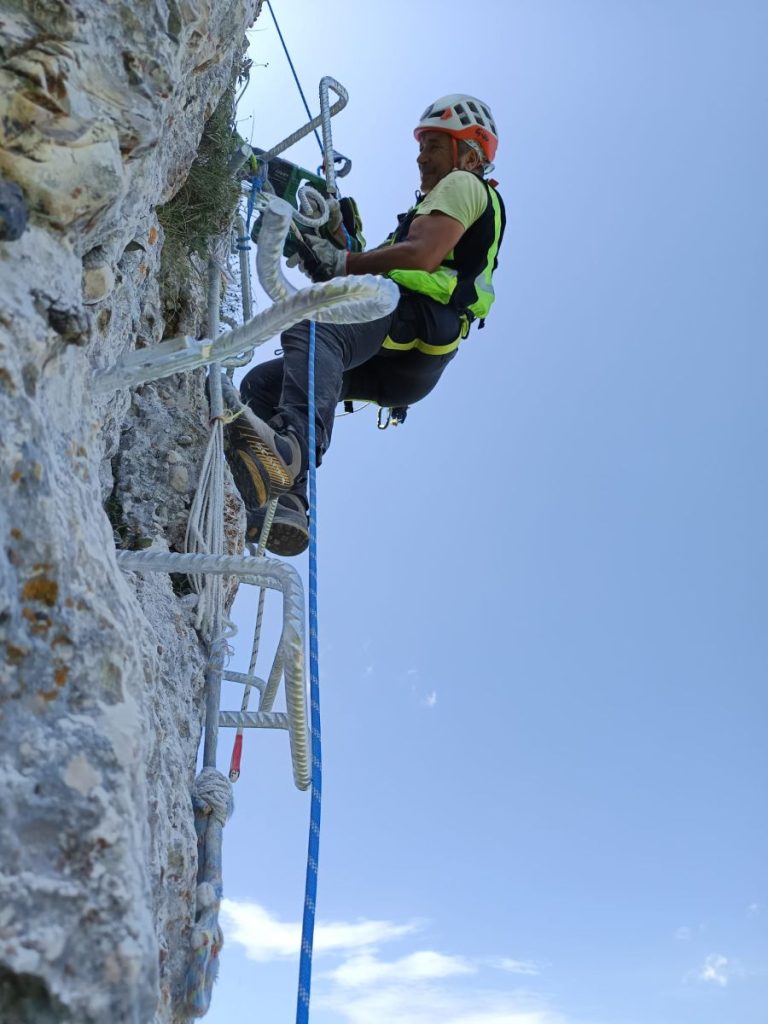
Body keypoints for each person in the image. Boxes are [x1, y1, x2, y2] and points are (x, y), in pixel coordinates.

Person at [224, 94, 506, 555]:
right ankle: (289, 502)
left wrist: (345, 261)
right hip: (404, 365)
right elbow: (388, 261)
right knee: (263, 383)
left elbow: (421, 256)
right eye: (421, 147)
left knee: (316, 321)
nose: (421, 157)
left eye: (434, 144)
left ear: (468, 154)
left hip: (418, 320)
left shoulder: (465, 185)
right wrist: (340, 249)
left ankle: (293, 449)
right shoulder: (426, 217)